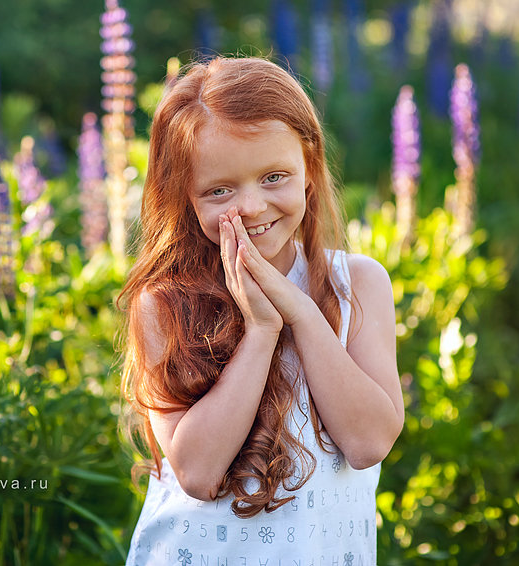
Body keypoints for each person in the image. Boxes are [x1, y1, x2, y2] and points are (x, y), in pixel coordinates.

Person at [118, 56, 404, 565]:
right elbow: (199, 473)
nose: (251, 207)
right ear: (185, 196)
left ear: (309, 168)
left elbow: (369, 441)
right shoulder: (163, 303)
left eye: (274, 176)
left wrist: (301, 312)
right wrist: (262, 329)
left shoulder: (356, 284)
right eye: (220, 190)